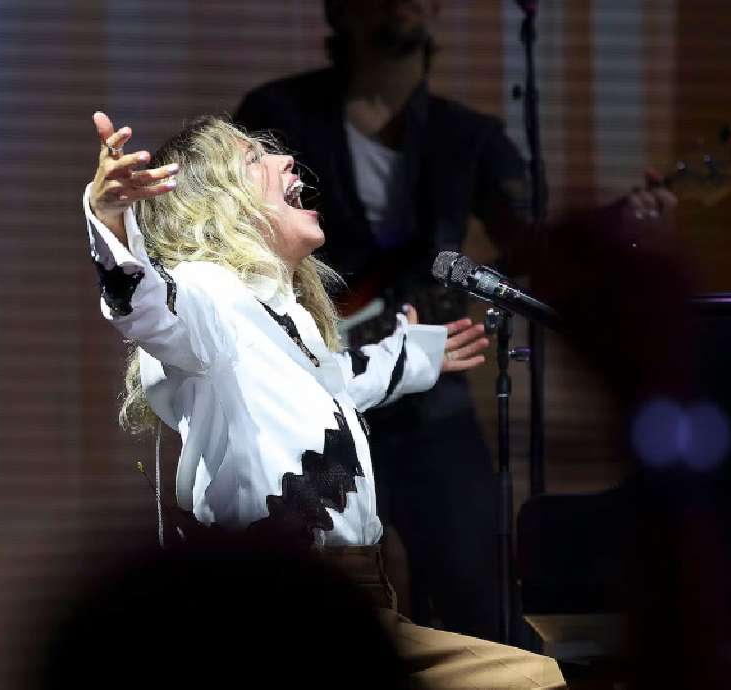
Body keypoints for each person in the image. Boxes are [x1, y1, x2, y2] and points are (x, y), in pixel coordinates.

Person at [233, 0, 677, 639]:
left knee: (482, 603)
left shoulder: (468, 136)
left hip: (427, 396)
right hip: (313, 385)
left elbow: (535, 248)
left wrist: (622, 228)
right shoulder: (278, 115)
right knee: (298, 603)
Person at [82, 109, 566, 689]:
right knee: (530, 680)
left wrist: (413, 356)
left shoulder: (288, 323)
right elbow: (149, 308)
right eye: (253, 159)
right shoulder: (207, 294)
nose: (285, 159)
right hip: (279, 605)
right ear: (216, 203)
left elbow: (334, 383)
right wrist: (110, 218)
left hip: (355, 596)